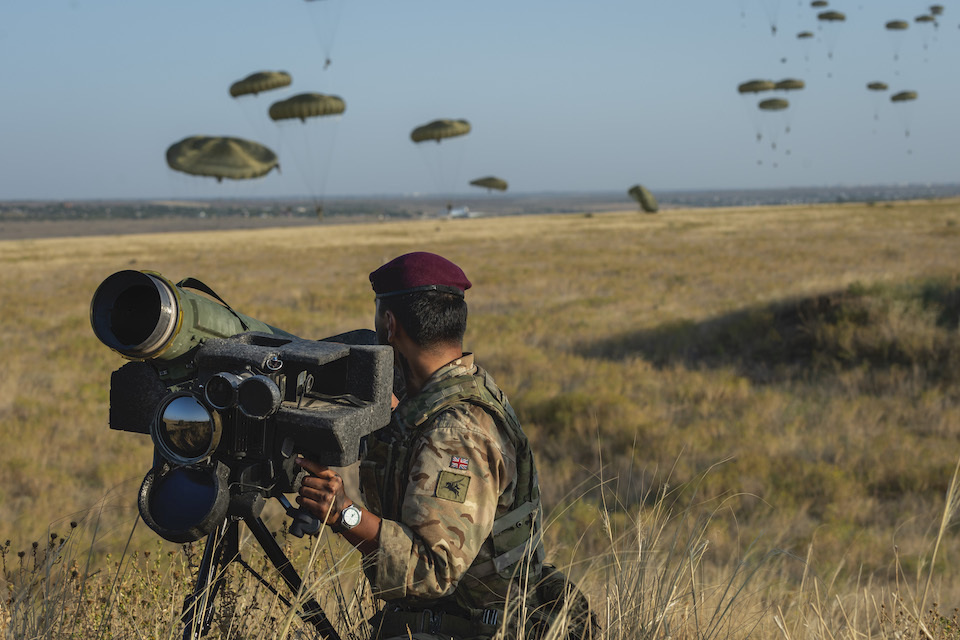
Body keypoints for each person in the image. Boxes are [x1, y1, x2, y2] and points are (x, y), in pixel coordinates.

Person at [295, 251, 551, 640]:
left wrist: (344, 513)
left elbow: (430, 571)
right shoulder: (461, 389)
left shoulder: (455, 434)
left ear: (389, 323)